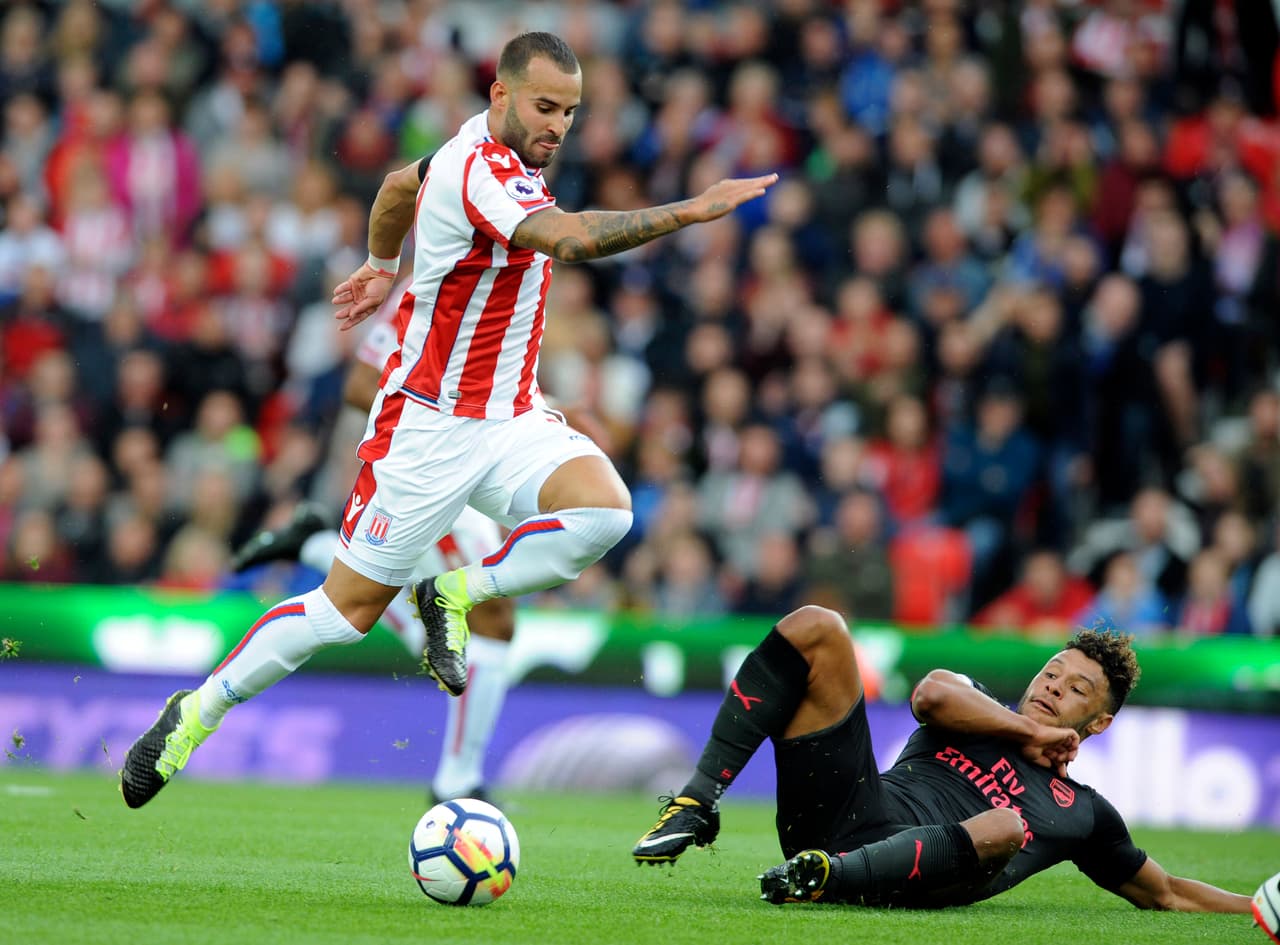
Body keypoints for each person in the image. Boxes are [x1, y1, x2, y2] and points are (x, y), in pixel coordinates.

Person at [119, 31, 776, 809]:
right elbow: (567, 238)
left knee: (606, 512)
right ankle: (197, 712)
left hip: (508, 417)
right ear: (499, 95)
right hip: (427, 428)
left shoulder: (462, 155)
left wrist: (380, 261)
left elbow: (398, 186)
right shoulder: (481, 172)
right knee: (343, 613)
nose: (557, 125)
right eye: (543, 106)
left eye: (569, 111)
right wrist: (693, 211)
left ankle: (452, 595)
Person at [632, 606, 1252, 914]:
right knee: (819, 625)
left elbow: (1168, 892)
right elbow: (929, 694)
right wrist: (1022, 730)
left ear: (1099, 723)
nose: (1054, 686)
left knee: (1008, 824)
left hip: (909, 876)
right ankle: (694, 801)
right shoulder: (974, 706)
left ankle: (820, 878)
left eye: (1077, 690)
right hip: (848, 812)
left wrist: (1255, 910)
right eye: (1052, 672)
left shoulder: (1084, 813)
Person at [227, 276, 516, 803]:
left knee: (464, 632)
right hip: (432, 466)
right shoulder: (430, 282)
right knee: (489, 622)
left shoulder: (511, 278)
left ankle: (315, 544)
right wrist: (443, 407)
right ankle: (457, 782)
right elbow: (361, 386)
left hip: (479, 464)